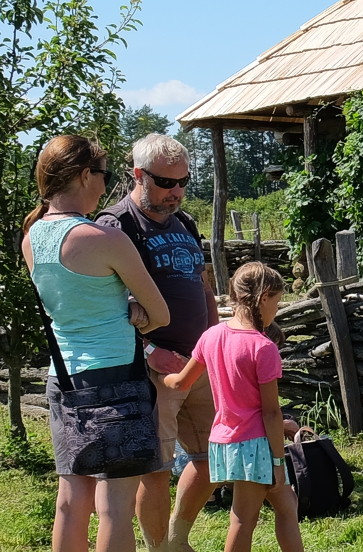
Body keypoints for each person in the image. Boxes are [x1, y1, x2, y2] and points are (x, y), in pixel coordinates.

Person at [22, 135, 171, 552]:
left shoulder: (32, 237)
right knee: (115, 508)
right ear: (85, 174)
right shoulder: (103, 238)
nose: (106, 187)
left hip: (64, 379)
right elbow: (160, 314)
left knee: (70, 502)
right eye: (103, 175)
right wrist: (133, 311)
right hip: (116, 380)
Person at [96, 133, 217, 552]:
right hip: (154, 369)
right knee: (157, 470)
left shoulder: (184, 223)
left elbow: (204, 287)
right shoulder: (116, 226)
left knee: (212, 458)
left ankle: (177, 538)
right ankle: (157, 547)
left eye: (184, 181)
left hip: (199, 362)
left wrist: (214, 342)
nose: (177, 192)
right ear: (138, 175)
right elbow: (105, 308)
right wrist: (149, 351)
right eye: (166, 183)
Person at [164, 262, 303, 552]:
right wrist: (278, 463)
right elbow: (271, 412)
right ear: (264, 296)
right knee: (243, 519)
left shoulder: (211, 336)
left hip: (223, 441)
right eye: (276, 302)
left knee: (287, 504)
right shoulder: (263, 348)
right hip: (255, 446)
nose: (275, 310)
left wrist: (164, 376)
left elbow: (180, 383)